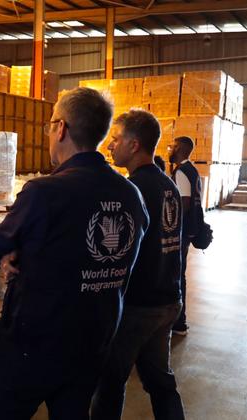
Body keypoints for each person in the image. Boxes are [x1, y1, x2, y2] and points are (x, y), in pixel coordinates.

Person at [0, 87, 148, 420]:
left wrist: (15, 251)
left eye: (50, 124)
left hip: (33, 344)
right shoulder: (131, 195)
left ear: (61, 128)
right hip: (93, 341)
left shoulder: (44, 192)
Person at [91, 109, 185, 420]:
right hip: (168, 298)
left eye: (115, 140)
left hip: (140, 304)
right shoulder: (167, 185)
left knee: (110, 380)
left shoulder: (134, 190)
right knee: (160, 381)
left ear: (133, 145)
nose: (110, 146)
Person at [168, 136, 203, 336]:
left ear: (179, 148)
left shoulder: (181, 171)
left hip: (182, 230)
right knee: (179, 273)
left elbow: (184, 202)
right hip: (191, 228)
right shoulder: (192, 169)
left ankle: (179, 322)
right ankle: (179, 320)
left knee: (177, 274)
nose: (169, 149)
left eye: (172, 146)